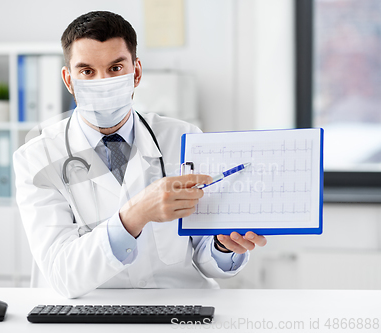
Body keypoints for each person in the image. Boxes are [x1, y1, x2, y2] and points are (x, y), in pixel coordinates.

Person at [14, 11, 267, 298]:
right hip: (93, 312)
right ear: (68, 80)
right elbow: (62, 274)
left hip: (179, 306)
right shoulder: (36, 158)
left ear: (135, 72)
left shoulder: (184, 138)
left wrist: (222, 246)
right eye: (87, 71)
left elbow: (203, 254)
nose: (102, 82)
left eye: (115, 68)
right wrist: (134, 215)